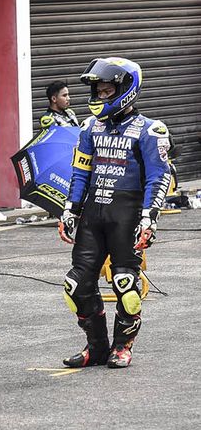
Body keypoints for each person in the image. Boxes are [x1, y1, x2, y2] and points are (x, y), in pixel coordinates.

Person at [58, 57, 172, 369]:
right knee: (75, 285)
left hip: (128, 216)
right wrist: (70, 209)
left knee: (125, 284)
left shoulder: (150, 131)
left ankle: (123, 347)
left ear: (125, 90)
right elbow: (80, 173)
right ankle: (96, 349)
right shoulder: (89, 128)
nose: (100, 97)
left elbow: (158, 177)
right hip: (93, 217)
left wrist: (150, 217)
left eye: (107, 91)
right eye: (97, 91)